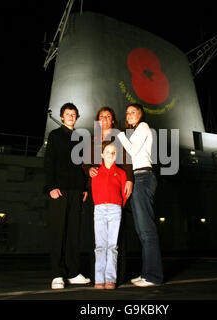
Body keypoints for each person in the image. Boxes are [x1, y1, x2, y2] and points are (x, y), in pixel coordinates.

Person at [82, 107, 133, 285]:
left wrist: (130, 179)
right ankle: (98, 277)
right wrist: (89, 171)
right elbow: (85, 163)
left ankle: (115, 276)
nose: (104, 118)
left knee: (115, 240)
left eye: (108, 116)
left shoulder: (119, 138)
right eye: (101, 116)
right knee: (97, 239)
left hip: (116, 189)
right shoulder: (92, 140)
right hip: (96, 190)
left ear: (113, 120)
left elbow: (127, 158)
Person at [44, 102, 90, 290]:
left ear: (77, 117)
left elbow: (82, 165)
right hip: (59, 190)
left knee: (73, 232)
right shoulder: (55, 136)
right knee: (58, 232)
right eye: (67, 114)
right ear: (62, 117)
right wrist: (51, 187)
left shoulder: (81, 138)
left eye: (73, 114)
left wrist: (85, 187)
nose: (71, 116)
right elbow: (49, 163)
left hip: (77, 190)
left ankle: (73, 272)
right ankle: (57, 274)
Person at [117, 103, 164, 287]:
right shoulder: (134, 132)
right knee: (141, 230)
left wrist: (118, 133)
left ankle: (153, 276)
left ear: (140, 114)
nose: (129, 115)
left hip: (144, 176)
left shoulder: (143, 127)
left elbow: (133, 151)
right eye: (127, 112)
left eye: (133, 112)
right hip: (138, 177)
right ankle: (147, 273)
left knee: (147, 230)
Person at [91, 141, 129, 290]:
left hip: (115, 209)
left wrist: (117, 204)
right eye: (108, 152)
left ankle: (110, 279)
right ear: (102, 155)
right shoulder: (95, 172)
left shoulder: (121, 173)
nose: (111, 154)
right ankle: (99, 279)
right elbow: (94, 190)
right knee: (100, 246)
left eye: (114, 152)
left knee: (112, 246)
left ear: (116, 155)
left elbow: (124, 194)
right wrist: (100, 203)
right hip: (99, 209)